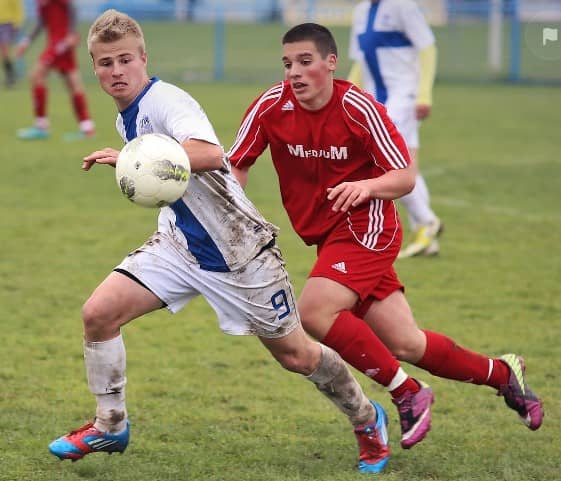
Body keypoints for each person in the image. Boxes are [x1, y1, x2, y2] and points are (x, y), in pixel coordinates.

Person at [48, 10, 402, 475]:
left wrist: (142, 156)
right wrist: (131, 156)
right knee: (98, 313)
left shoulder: (168, 102)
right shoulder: (126, 117)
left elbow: (212, 153)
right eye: (106, 63)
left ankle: (365, 416)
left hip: (240, 255)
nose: (116, 71)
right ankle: (109, 424)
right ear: (94, 67)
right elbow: (163, 164)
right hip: (179, 246)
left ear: (143, 59)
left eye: (125, 60)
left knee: (297, 355)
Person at [227, 22, 544, 452]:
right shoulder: (271, 105)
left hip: (368, 227)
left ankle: (407, 392)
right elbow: (237, 163)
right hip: (328, 236)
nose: (294, 73)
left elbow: (405, 176)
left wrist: (367, 187)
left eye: (305, 62)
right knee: (407, 342)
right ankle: (505, 375)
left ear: (330, 63)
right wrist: (229, 212)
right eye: (287, 64)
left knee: (315, 312)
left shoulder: (358, 108)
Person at [348, 0, 441, 258]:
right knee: (406, 165)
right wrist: (345, 94)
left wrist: (424, 94)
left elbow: (428, 48)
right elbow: (361, 61)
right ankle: (426, 235)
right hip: (376, 101)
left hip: (404, 98)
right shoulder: (360, 12)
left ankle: (427, 220)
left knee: (387, 164)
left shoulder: (403, 6)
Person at [14, 0, 94, 140]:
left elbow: (72, 8)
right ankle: (87, 127)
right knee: (72, 82)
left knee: (36, 74)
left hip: (62, 42)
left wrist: (71, 33)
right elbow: (41, 22)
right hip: (55, 42)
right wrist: (26, 42)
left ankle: (41, 125)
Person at [0, 0, 24, 87]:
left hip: (7, 23)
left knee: (5, 49)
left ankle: (10, 76)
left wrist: (17, 23)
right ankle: (10, 74)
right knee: (3, 52)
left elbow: (18, 8)